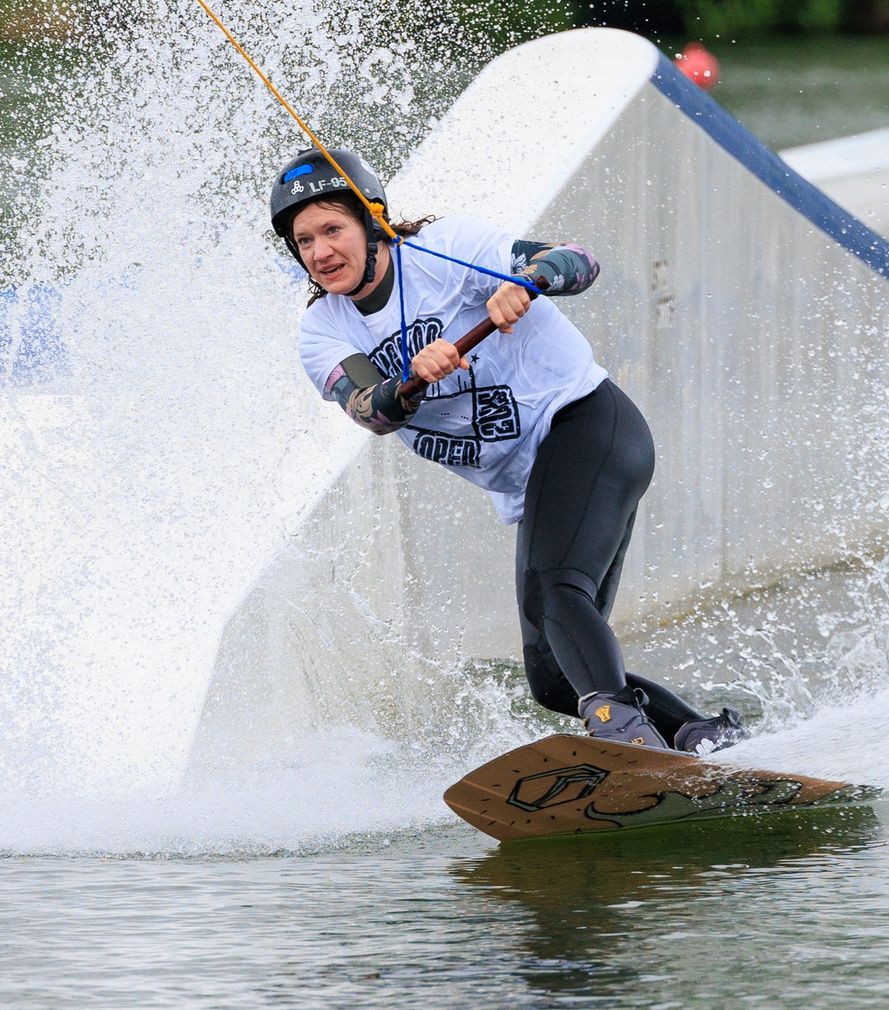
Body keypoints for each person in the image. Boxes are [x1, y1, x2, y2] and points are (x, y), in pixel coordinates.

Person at [272, 147, 743, 755]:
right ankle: (702, 738)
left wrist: (529, 282)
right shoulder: (323, 330)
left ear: (372, 220)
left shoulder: (447, 250)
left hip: (586, 425)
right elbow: (371, 409)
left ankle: (624, 732)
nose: (320, 252)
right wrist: (410, 379)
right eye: (304, 241)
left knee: (556, 592)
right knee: (553, 679)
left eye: (333, 229)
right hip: (535, 482)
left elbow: (579, 261)